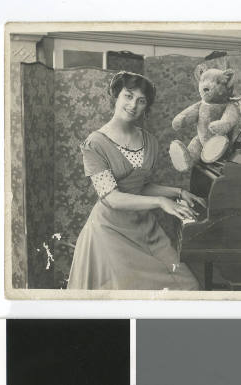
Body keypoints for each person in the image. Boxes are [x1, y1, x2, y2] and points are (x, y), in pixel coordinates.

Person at [67, 71, 205, 290]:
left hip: (144, 228)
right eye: (128, 96)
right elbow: (112, 198)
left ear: (146, 107)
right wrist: (161, 202)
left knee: (187, 286)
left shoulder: (149, 141)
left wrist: (177, 192)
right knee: (125, 295)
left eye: (141, 101)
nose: (133, 105)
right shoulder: (95, 143)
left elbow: (139, 186)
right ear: (116, 96)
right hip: (109, 230)